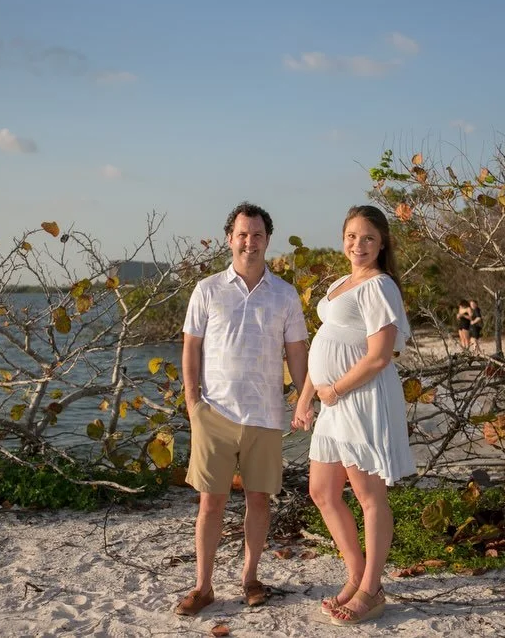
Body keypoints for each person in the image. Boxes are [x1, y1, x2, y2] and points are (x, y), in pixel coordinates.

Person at [175, 202, 309, 616]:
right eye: (242, 234)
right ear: (229, 238)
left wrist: (304, 400)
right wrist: (193, 401)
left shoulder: (285, 295)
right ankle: (204, 586)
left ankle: (251, 578)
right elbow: (191, 347)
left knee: (259, 501)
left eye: (257, 235)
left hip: (266, 416)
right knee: (209, 504)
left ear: (267, 240)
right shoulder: (207, 289)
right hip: (213, 414)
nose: (249, 241)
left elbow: (297, 356)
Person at [292, 205, 413, 626]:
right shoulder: (341, 282)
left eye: (367, 238)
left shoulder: (380, 287)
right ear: (342, 239)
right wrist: (306, 397)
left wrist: (334, 390)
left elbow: (380, 357)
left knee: (369, 496)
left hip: (361, 400)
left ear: (381, 245)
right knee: (322, 491)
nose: (357, 245)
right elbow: (324, 343)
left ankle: (371, 588)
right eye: (351, 236)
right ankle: (356, 574)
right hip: (330, 401)